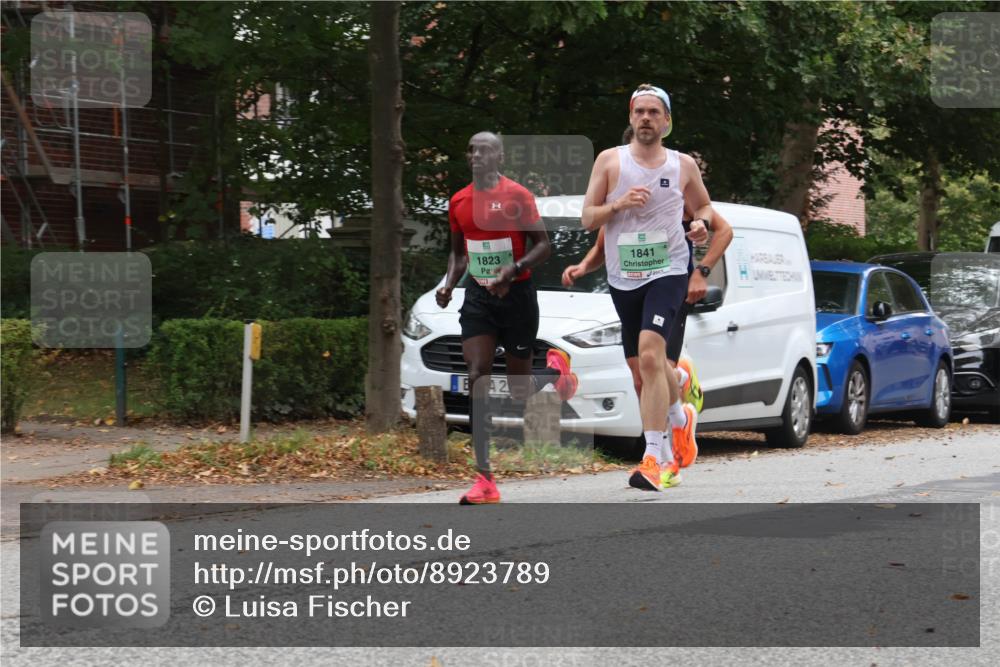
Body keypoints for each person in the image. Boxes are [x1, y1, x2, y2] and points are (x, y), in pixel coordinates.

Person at [581, 84, 716, 491]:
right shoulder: (609, 161)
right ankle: (679, 416)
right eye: (639, 111)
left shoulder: (682, 166)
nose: (645, 118)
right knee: (644, 371)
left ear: (666, 121)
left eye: (654, 112)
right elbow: (588, 218)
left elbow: (705, 206)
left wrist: (700, 223)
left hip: (669, 269)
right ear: (630, 117)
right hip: (624, 277)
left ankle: (654, 457)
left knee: (651, 352)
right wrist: (618, 205)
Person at [437, 131, 579, 505]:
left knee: (518, 389)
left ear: (499, 157)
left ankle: (554, 373)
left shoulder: (517, 196)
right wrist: (449, 283)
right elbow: (459, 255)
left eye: (485, 151)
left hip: (517, 296)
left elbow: (544, 246)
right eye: (472, 151)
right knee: (477, 373)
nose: (477, 157)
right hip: (480, 297)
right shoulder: (459, 201)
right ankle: (485, 479)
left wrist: (513, 270)